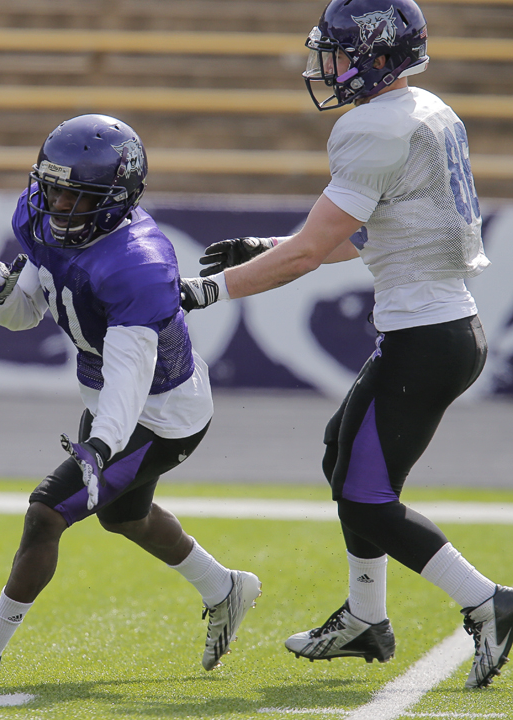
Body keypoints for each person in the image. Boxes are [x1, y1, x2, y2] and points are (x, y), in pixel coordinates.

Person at [179, 0, 511, 690]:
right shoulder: (426, 110)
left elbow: (308, 255)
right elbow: (363, 234)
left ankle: (489, 602)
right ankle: (366, 619)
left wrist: (209, 292)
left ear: (377, 54)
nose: (324, 65)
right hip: (441, 328)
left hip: (426, 336)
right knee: (342, 451)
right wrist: (266, 247)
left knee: (365, 498)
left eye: (337, 51)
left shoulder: (375, 125)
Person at [0, 114, 261, 685]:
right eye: (51, 187)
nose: (56, 203)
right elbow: (29, 310)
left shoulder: (138, 262)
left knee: (46, 511)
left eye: (74, 195)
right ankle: (225, 587)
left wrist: (100, 445)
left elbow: (130, 376)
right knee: (125, 516)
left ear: (114, 200)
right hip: (112, 404)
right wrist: (3, 300)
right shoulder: (43, 221)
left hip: (161, 414)